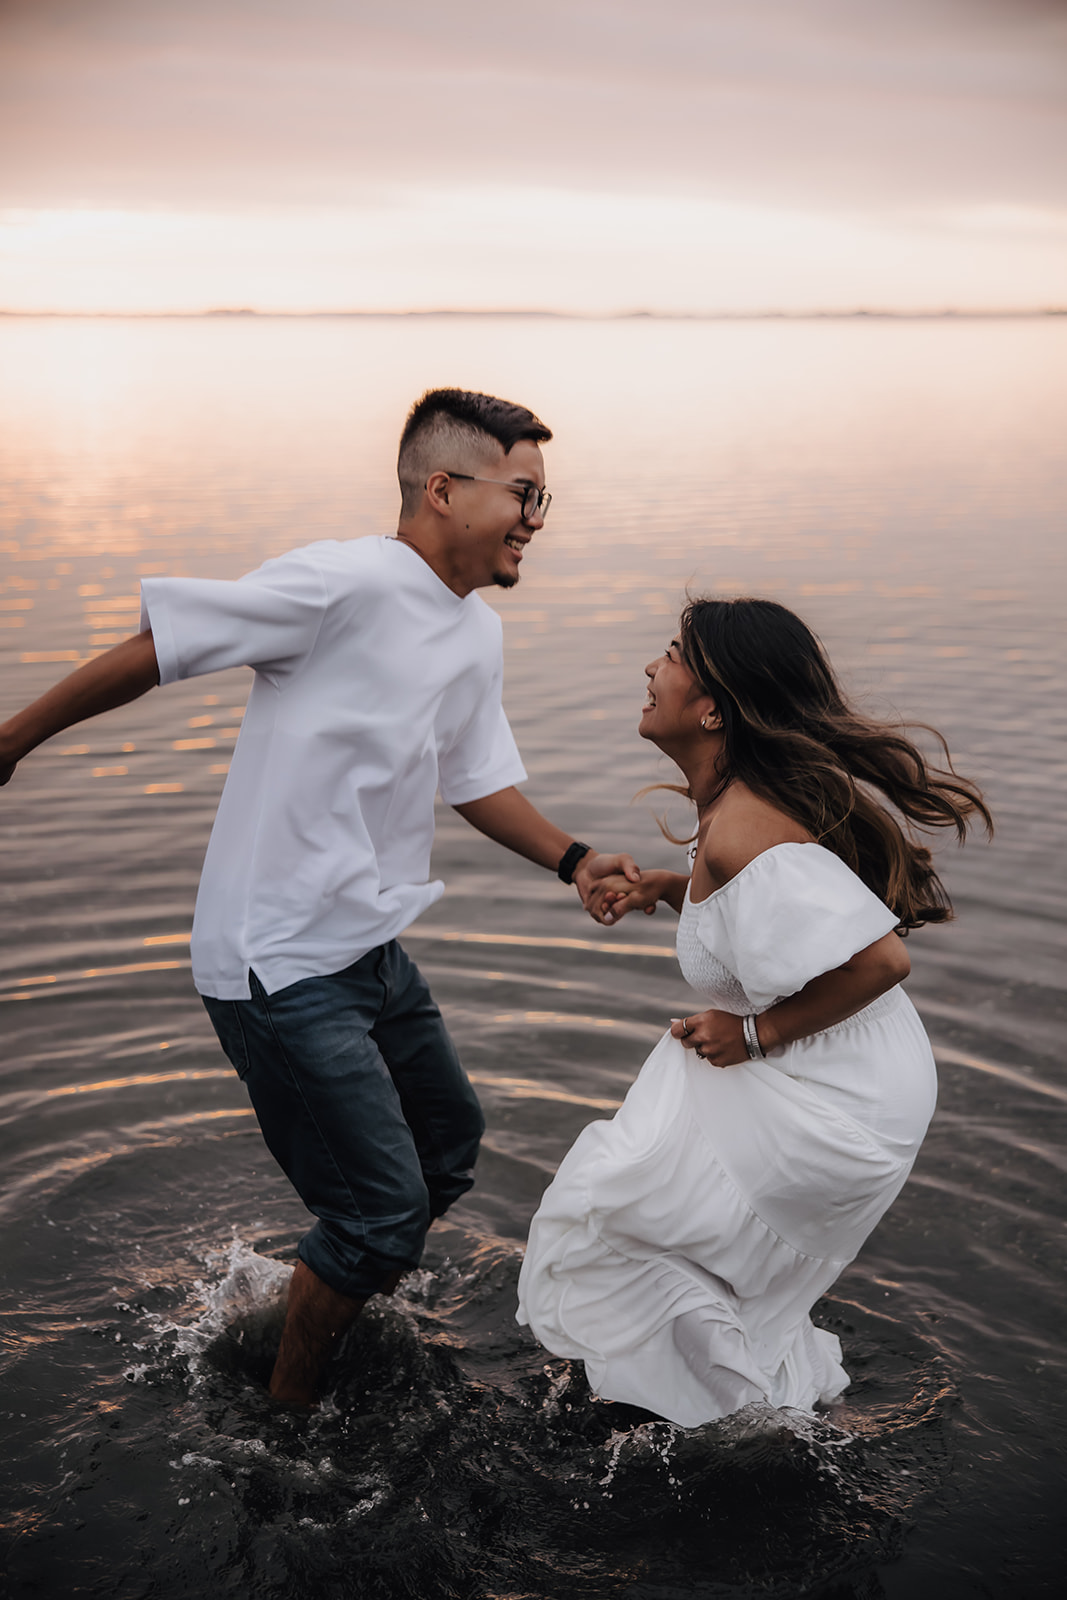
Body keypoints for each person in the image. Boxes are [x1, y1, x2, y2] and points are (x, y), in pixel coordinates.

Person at [0, 387, 638, 1407]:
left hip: (366, 950)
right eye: (522, 492)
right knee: (383, 1214)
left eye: (541, 499)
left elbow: (471, 776)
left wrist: (574, 859)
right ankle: (284, 1419)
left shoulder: (473, 633)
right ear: (441, 488)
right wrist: (10, 744)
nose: (533, 517)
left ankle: (327, 1282)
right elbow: (156, 651)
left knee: (445, 1146)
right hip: (276, 959)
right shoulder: (343, 582)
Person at [517, 596, 992, 1428]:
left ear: (711, 707)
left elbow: (881, 960)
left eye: (668, 654)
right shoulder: (734, 805)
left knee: (618, 1213)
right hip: (847, 1062)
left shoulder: (744, 824)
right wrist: (668, 890)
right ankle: (729, 1408)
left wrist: (752, 1033)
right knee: (646, 1220)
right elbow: (753, 906)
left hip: (844, 1092)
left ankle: (733, 1424)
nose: (648, 669)